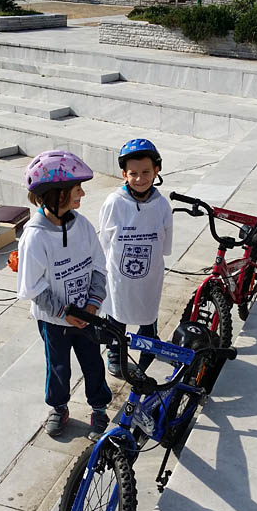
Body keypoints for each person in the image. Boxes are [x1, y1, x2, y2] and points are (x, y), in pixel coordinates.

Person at [17, 150, 112, 440]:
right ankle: (58, 407)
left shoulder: (82, 225)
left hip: (87, 316)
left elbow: (98, 266)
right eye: (77, 188)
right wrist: (65, 313)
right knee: (58, 367)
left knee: (93, 362)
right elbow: (32, 287)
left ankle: (99, 406)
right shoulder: (35, 237)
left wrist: (93, 304)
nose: (82, 193)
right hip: (55, 321)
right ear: (57, 195)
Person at [99, 138, 173, 378]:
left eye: (146, 172)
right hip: (119, 277)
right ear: (124, 174)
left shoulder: (161, 205)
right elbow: (105, 240)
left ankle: (148, 348)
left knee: (148, 314)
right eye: (133, 173)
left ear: (156, 170)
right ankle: (114, 353)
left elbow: (165, 243)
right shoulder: (114, 203)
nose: (140, 179)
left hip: (149, 275)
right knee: (116, 316)